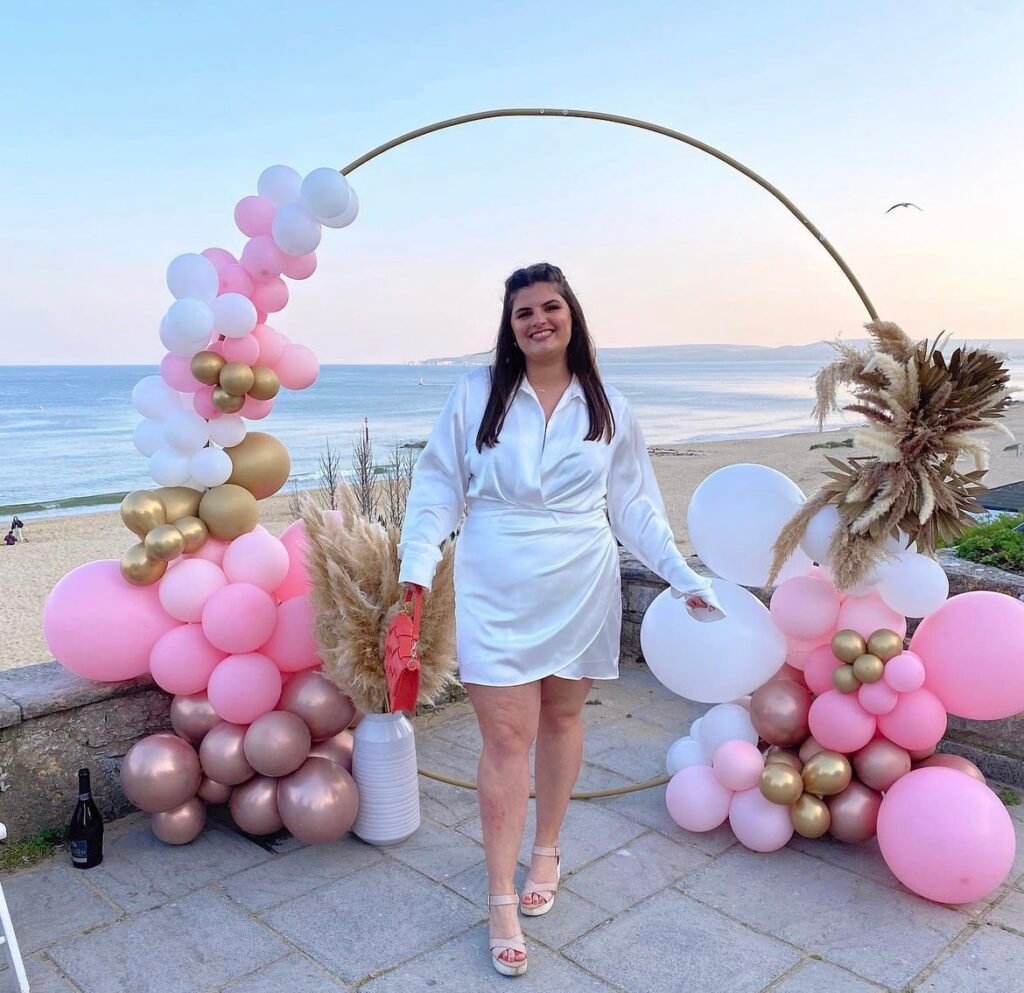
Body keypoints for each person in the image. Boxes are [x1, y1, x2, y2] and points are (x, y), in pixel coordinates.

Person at [397, 262, 724, 978]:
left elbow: (635, 505)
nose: (538, 320)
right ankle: (499, 898)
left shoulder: (609, 404)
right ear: (509, 327)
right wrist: (416, 571)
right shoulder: (475, 393)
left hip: (581, 579)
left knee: (563, 719)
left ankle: (546, 848)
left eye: (551, 307)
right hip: (495, 580)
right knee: (505, 737)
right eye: (524, 312)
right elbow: (436, 486)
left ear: (572, 315)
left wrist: (681, 574)